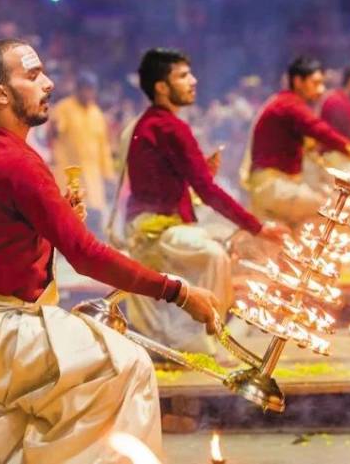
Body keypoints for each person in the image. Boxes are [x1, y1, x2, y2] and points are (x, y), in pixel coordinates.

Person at [0, 39, 219, 463]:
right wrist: (179, 292)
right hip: (1, 334)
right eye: (33, 76)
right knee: (128, 366)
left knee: (93, 372)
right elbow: (87, 255)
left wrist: (61, 225)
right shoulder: (13, 160)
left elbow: (7, 242)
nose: (50, 84)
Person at [122, 48, 287, 353]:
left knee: (223, 248)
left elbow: (173, 183)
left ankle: (199, 333)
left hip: (156, 224)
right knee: (214, 254)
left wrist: (197, 176)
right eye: (183, 76)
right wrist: (258, 228)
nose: (193, 81)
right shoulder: (169, 126)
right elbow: (209, 192)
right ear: (161, 87)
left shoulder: (154, 123)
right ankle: (195, 340)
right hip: (154, 231)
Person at [242, 56, 350, 225]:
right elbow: (320, 130)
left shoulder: (287, 102)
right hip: (274, 187)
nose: (321, 90)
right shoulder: (289, 105)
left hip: (277, 186)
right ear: (298, 81)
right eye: (315, 83)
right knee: (332, 209)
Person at [49, 70, 114, 236]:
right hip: (70, 175)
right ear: (78, 89)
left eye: (92, 89)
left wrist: (108, 174)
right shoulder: (64, 108)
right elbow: (55, 132)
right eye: (86, 89)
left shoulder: (97, 114)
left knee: (94, 219)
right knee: (70, 217)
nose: (89, 93)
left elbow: (103, 147)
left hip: (93, 177)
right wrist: (54, 128)